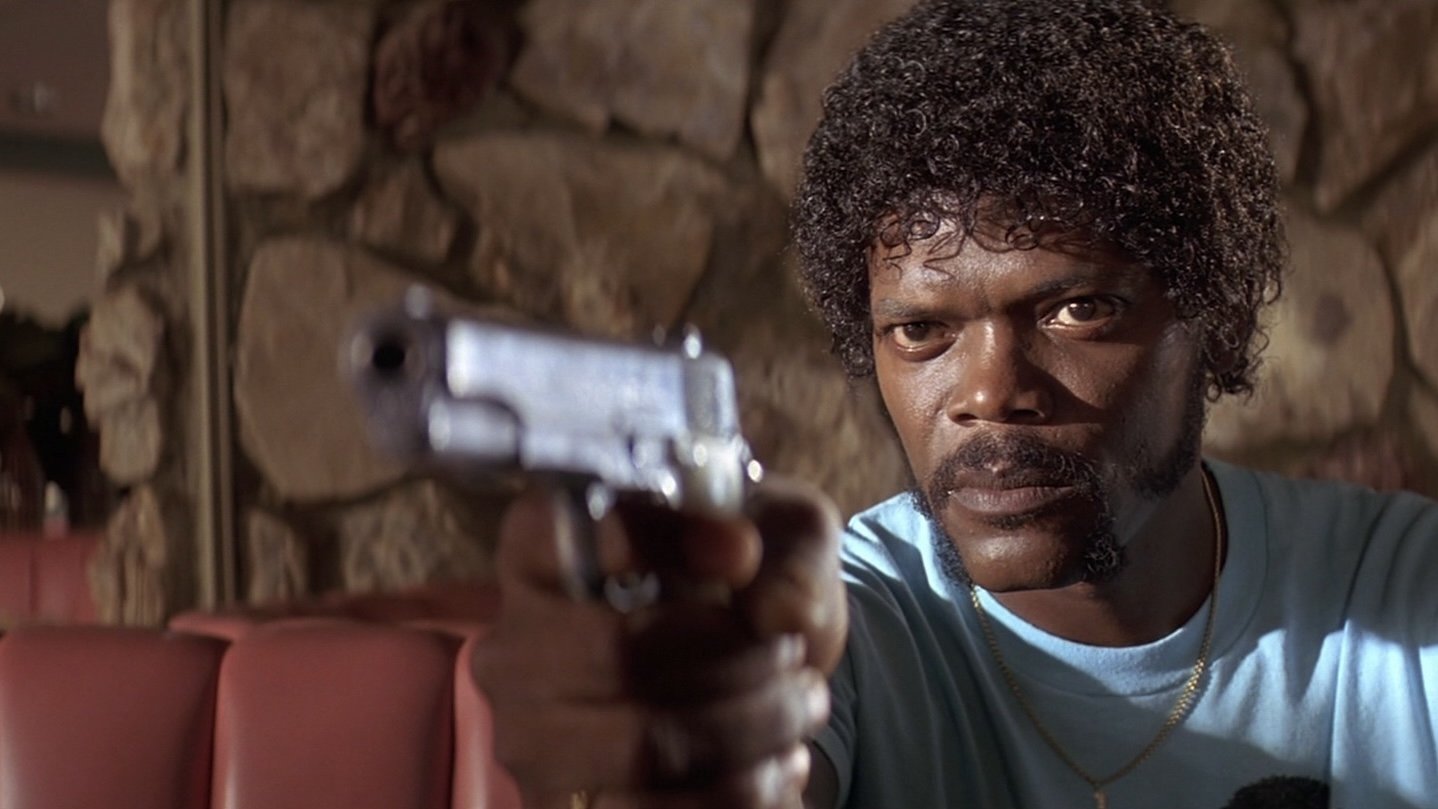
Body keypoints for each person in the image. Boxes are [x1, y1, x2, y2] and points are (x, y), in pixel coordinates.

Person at [470, 1, 1438, 807]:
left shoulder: (1399, 598)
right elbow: (761, 736)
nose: (987, 394)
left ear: (1213, 320)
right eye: (921, 331)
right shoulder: (846, 622)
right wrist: (678, 756)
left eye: (1076, 309)